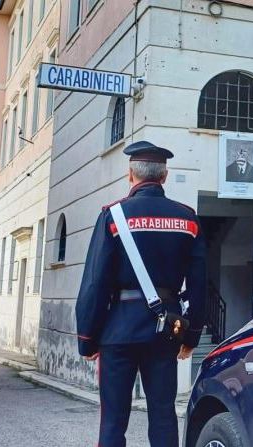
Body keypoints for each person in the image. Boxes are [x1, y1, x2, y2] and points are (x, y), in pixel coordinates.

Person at [75, 140, 206, 447]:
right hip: (165, 331)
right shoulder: (188, 219)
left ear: (130, 174)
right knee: (163, 415)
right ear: (164, 176)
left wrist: (87, 338)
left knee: (112, 420)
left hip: (118, 330)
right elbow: (199, 283)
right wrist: (191, 336)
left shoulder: (113, 216)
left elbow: (95, 282)